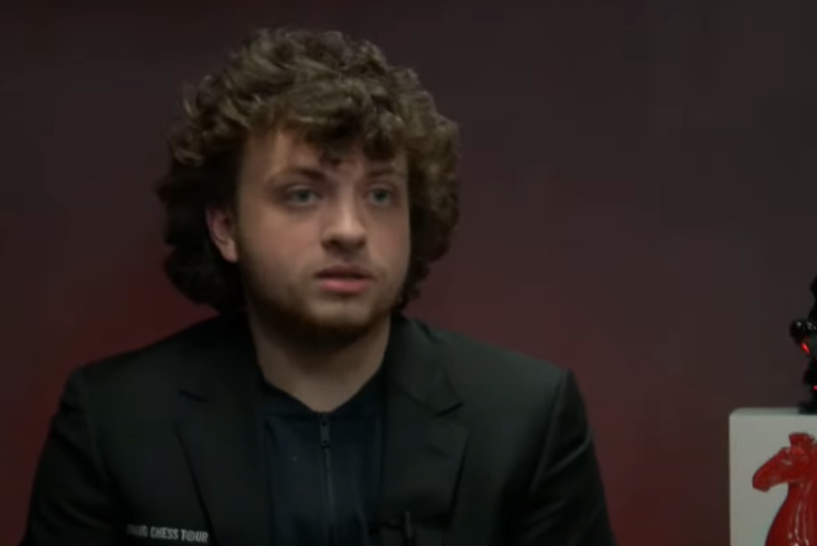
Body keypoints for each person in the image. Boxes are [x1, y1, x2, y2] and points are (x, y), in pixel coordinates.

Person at [20, 27, 615, 546]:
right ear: (226, 226)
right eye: (302, 194)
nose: (350, 230)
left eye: (380, 194)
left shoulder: (526, 420)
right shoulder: (114, 420)